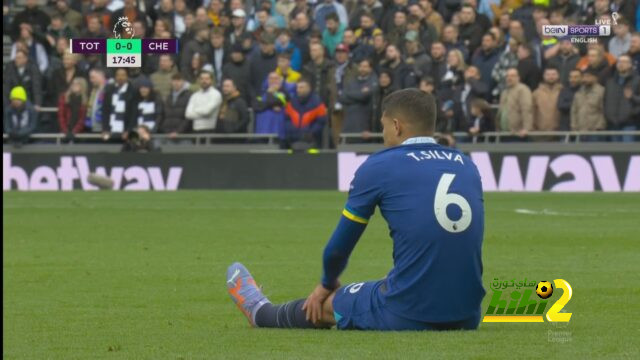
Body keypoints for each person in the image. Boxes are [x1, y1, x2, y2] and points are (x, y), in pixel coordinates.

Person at [226, 88, 485, 331]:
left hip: (409, 312)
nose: (383, 134)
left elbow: (338, 249)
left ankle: (261, 313)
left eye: (383, 126)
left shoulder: (380, 165)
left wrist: (326, 283)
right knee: (396, 280)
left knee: (327, 305)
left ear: (396, 126)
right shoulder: (467, 165)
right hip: (468, 314)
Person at [339, 58, 378, 140]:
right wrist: (360, 94)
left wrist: (350, 94)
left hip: (364, 124)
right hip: (349, 123)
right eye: (360, 66)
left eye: (365, 66)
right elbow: (342, 97)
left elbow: (364, 97)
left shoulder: (373, 81)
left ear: (370, 68)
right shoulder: (351, 81)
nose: (362, 69)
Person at [283, 78, 328, 149]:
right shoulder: (291, 103)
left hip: (312, 140)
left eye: (301, 87)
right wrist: (292, 131)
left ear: (308, 88)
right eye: (297, 87)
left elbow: (321, 122)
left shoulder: (318, 103)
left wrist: (311, 133)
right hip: (293, 140)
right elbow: (287, 120)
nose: (298, 90)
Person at [604, 54, 640, 142]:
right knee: (615, 153)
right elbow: (605, 100)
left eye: (624, 62)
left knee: (628, 151)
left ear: (630, 65)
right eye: (619, 62)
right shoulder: (610, 82)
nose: (621, 64)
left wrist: (632, 97)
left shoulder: (637, 80)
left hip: (629, 123)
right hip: (612, 124)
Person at [496, 68, 533, 140]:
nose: (509, 78)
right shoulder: (504, 92)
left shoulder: (523, 90)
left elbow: (527, 109)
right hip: (504, 133)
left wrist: (526, 128)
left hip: (518, 133)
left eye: (512, 76)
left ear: (518, 78)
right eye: (507, 76)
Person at [102, 68, 137, 140]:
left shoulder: (132, 91)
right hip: (111, 130)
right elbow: (105, 111)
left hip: (125, 131)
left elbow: (134, 114)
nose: (120, 78)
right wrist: (105, 129)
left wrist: (128, 130)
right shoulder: (109, 90)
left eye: (123, 75)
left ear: (127, 77)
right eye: (118, 75)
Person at [571, 68, 606, 139]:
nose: (585, 79)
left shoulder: (601, 92)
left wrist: (600, 126)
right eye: (584, 76)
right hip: (580, 130)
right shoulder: (579, 92)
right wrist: (574, 126)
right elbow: (574, 111)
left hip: (595, 131)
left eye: (588, 76)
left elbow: (604, 110)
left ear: (595, 78)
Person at [253, 71, 289, 140]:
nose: (273, 81)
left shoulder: (284, 93)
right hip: (262, 131)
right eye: (271, 78)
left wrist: (269, 93)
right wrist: (271, 105)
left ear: (280, 81)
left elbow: (277, 101)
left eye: (276, 78)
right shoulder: (261, 93)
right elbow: (256, 107)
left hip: (278, 132)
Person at [158, 73, 192, 138]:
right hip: (166, 134)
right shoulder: (168, 97)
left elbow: (188, 118)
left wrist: (178, 131)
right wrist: (165, 130)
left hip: (183, 135)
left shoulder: (189, 96)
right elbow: (163, 115)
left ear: (183, 82)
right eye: (174, 80)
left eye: (179, 80)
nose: (176, 83)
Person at [532, 67, 563, 133]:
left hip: (559, 133)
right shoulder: (536, 93)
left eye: (553, 74)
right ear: (544, 76)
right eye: (548, 74)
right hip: (540, 133)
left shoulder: (563, 91)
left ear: (558, 76)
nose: (551, 77)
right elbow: (532, 111)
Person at [57, 77, 88, 142]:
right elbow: (61, 116)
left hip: (79, 133)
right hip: (65, 131)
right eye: (73, 84)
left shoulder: (85, 100)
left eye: (77, 84)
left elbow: (82, 118)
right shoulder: (64, 97)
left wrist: (75, 131)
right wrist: (65, 131)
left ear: (82, 86)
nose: (74, 86)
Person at [85, 68, 106, 133]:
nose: (91, 80)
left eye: (93, 77)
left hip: (104, 128)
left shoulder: (109, 89)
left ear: (101, 76)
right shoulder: (94, 90)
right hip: (93, 127)